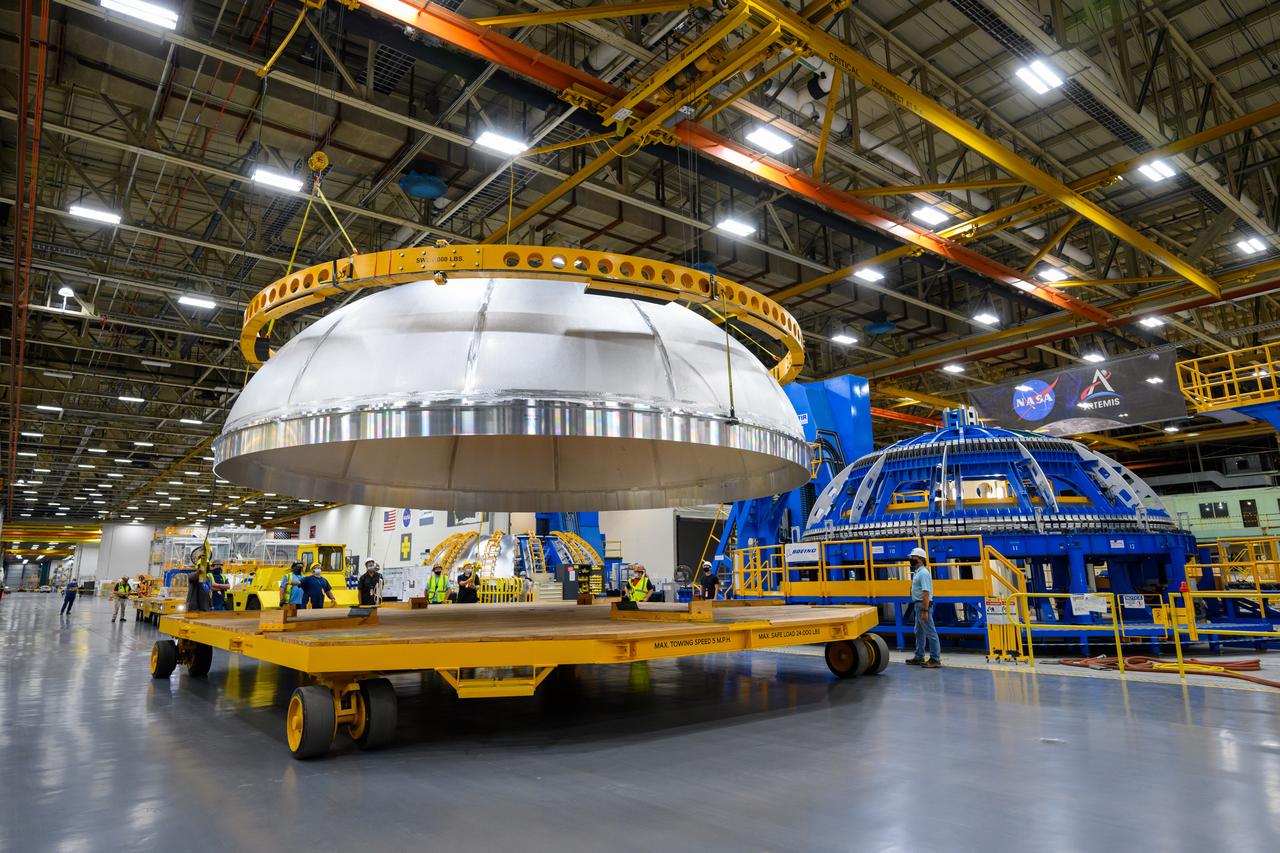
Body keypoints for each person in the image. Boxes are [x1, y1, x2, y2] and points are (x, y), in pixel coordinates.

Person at [906, 547, 941, 668]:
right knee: (919, 632)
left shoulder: (924, 573)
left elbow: (926, 593)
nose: (911, 559)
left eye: (913, 557)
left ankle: (935, 659)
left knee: (930, 632)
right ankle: (919, 656)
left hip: (923, 605)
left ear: (920, 559)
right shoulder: (917, 572)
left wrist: (925, 610)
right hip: (918, 605)